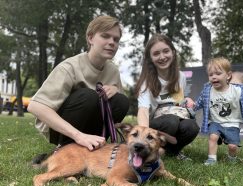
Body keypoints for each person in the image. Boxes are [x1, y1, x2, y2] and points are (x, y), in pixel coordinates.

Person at [28, 15, 129, 154]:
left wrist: (115, 91)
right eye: (105, 36)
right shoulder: (69, 67)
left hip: (90, 125)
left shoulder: (112, 70)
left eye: (116, 39)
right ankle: (64, 148)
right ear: (90, 38)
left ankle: (94, 145)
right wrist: (78, 135)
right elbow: (36, 106)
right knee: (88, 96)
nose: (112, 42)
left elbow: (116, 114)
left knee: (121, 100)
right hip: (59, 129)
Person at [135, 34, 199, 160]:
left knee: (191, 126)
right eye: (156, 53)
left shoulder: (181, 76)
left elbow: (177, 101)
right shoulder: (146, 82)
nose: (162, 57)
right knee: (171, 121)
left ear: (173, 52)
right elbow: (143, 110)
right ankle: (152, 148)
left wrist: (186, 100)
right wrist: (143, 136)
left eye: (166, 51)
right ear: (150, 58)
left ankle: (172, 151)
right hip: (156, 123)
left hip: (176, 115)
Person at [193, 57, 243, 165]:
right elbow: (199, 103)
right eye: (211, 75)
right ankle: (211, 159)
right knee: (213, 137)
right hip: (215, 121)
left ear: (228, 75)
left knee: (232, 146)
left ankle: (232, 158)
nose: (214, 77)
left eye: (218, 74)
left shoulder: (238, 90)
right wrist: (192, 106)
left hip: (232, 123)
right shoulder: (207, 90)